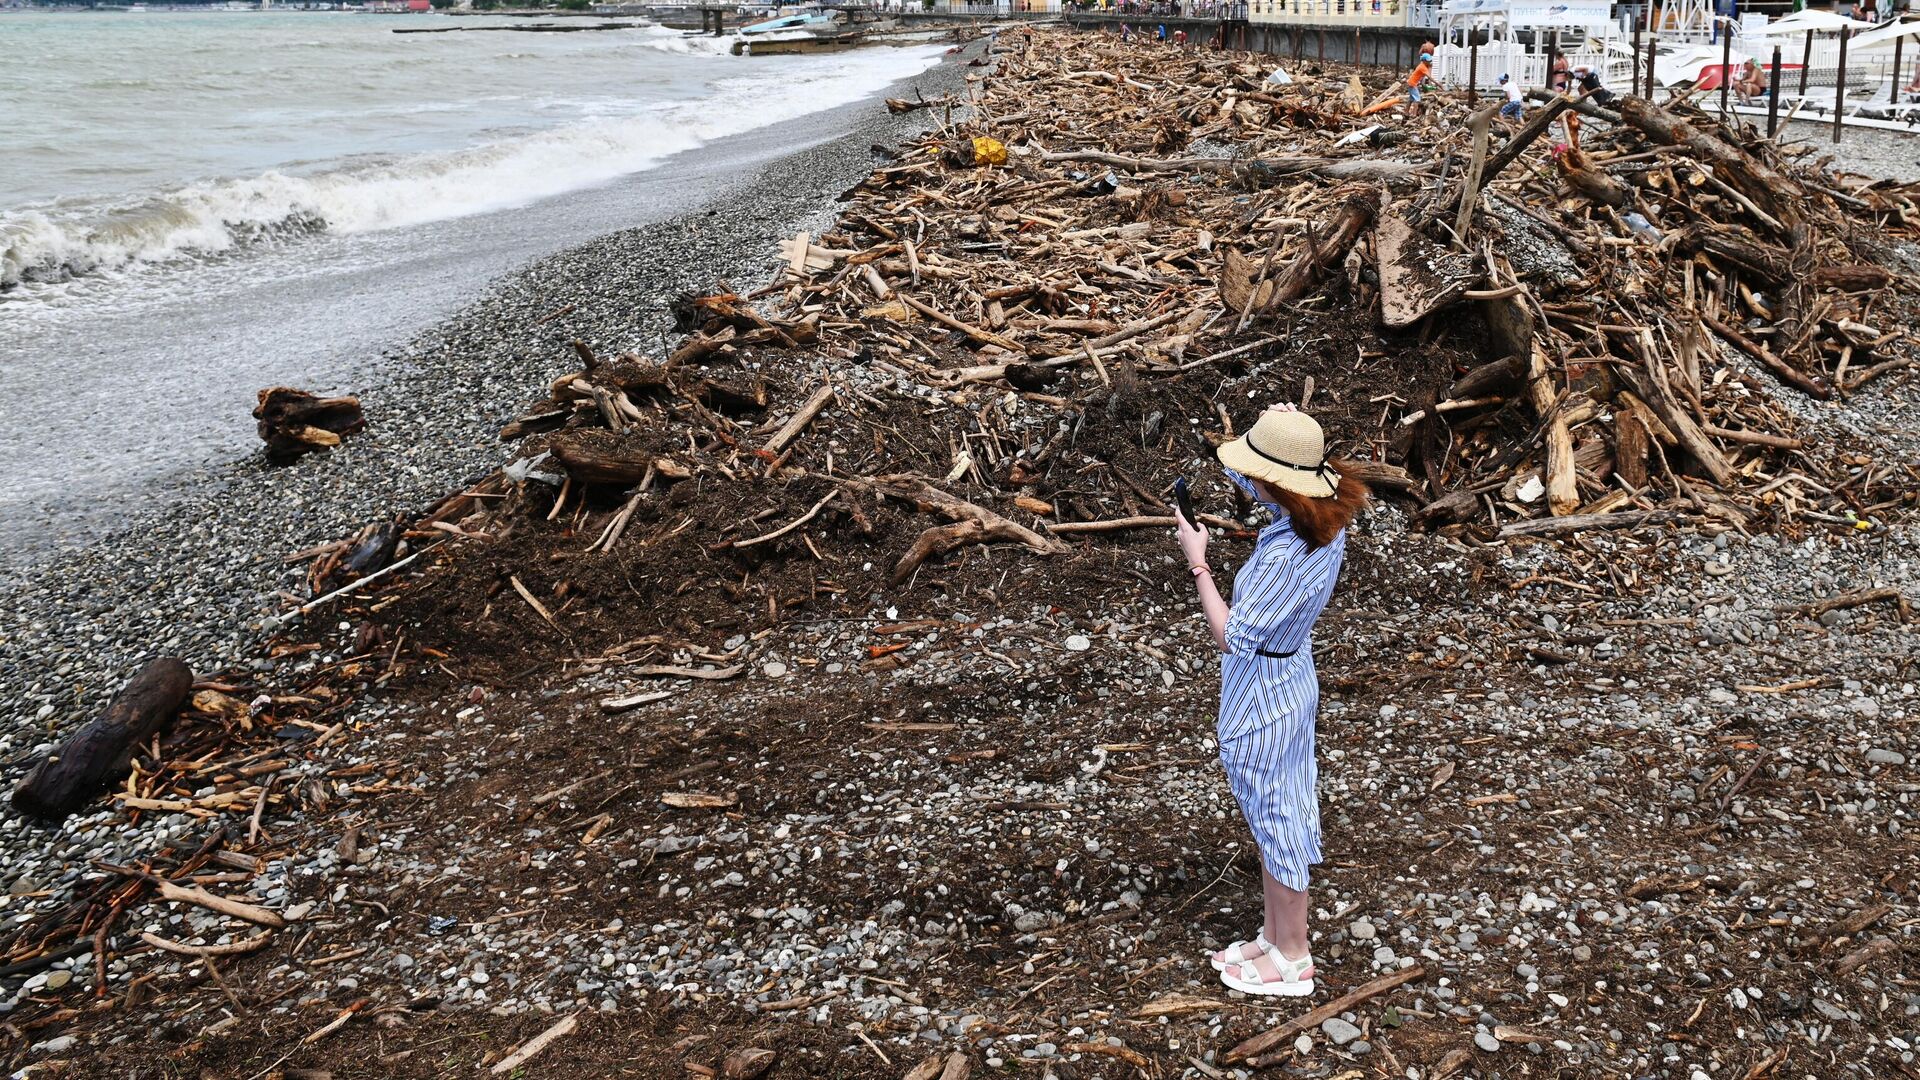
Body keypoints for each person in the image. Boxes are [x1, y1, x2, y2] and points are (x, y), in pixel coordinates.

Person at [1173, 404, 1371, 998]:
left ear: (1278, 484)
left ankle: (1293, 956)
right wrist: (1280, 431)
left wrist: (1198, 562)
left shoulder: (1286, 555)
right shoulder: (1322, 520)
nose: (1245, 479)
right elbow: (1257, 475)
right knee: (1277, 810)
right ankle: (1273, 934)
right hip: (1292, 676)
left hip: (1265, 694)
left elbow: (1232, 635)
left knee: (1278, 816)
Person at [1406, 52, 1433, 116]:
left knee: (1411, 99)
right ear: (1424, 60)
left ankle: (1406, 112)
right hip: (1412, 84)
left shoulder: (1422, 65)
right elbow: (1430, 77)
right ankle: (1414, 114)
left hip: (1411, 83)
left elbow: (1423, 78)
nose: (1429, 62)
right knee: (1417, 99)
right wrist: (1439, 84)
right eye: (1428, 61)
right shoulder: (1422, 67)